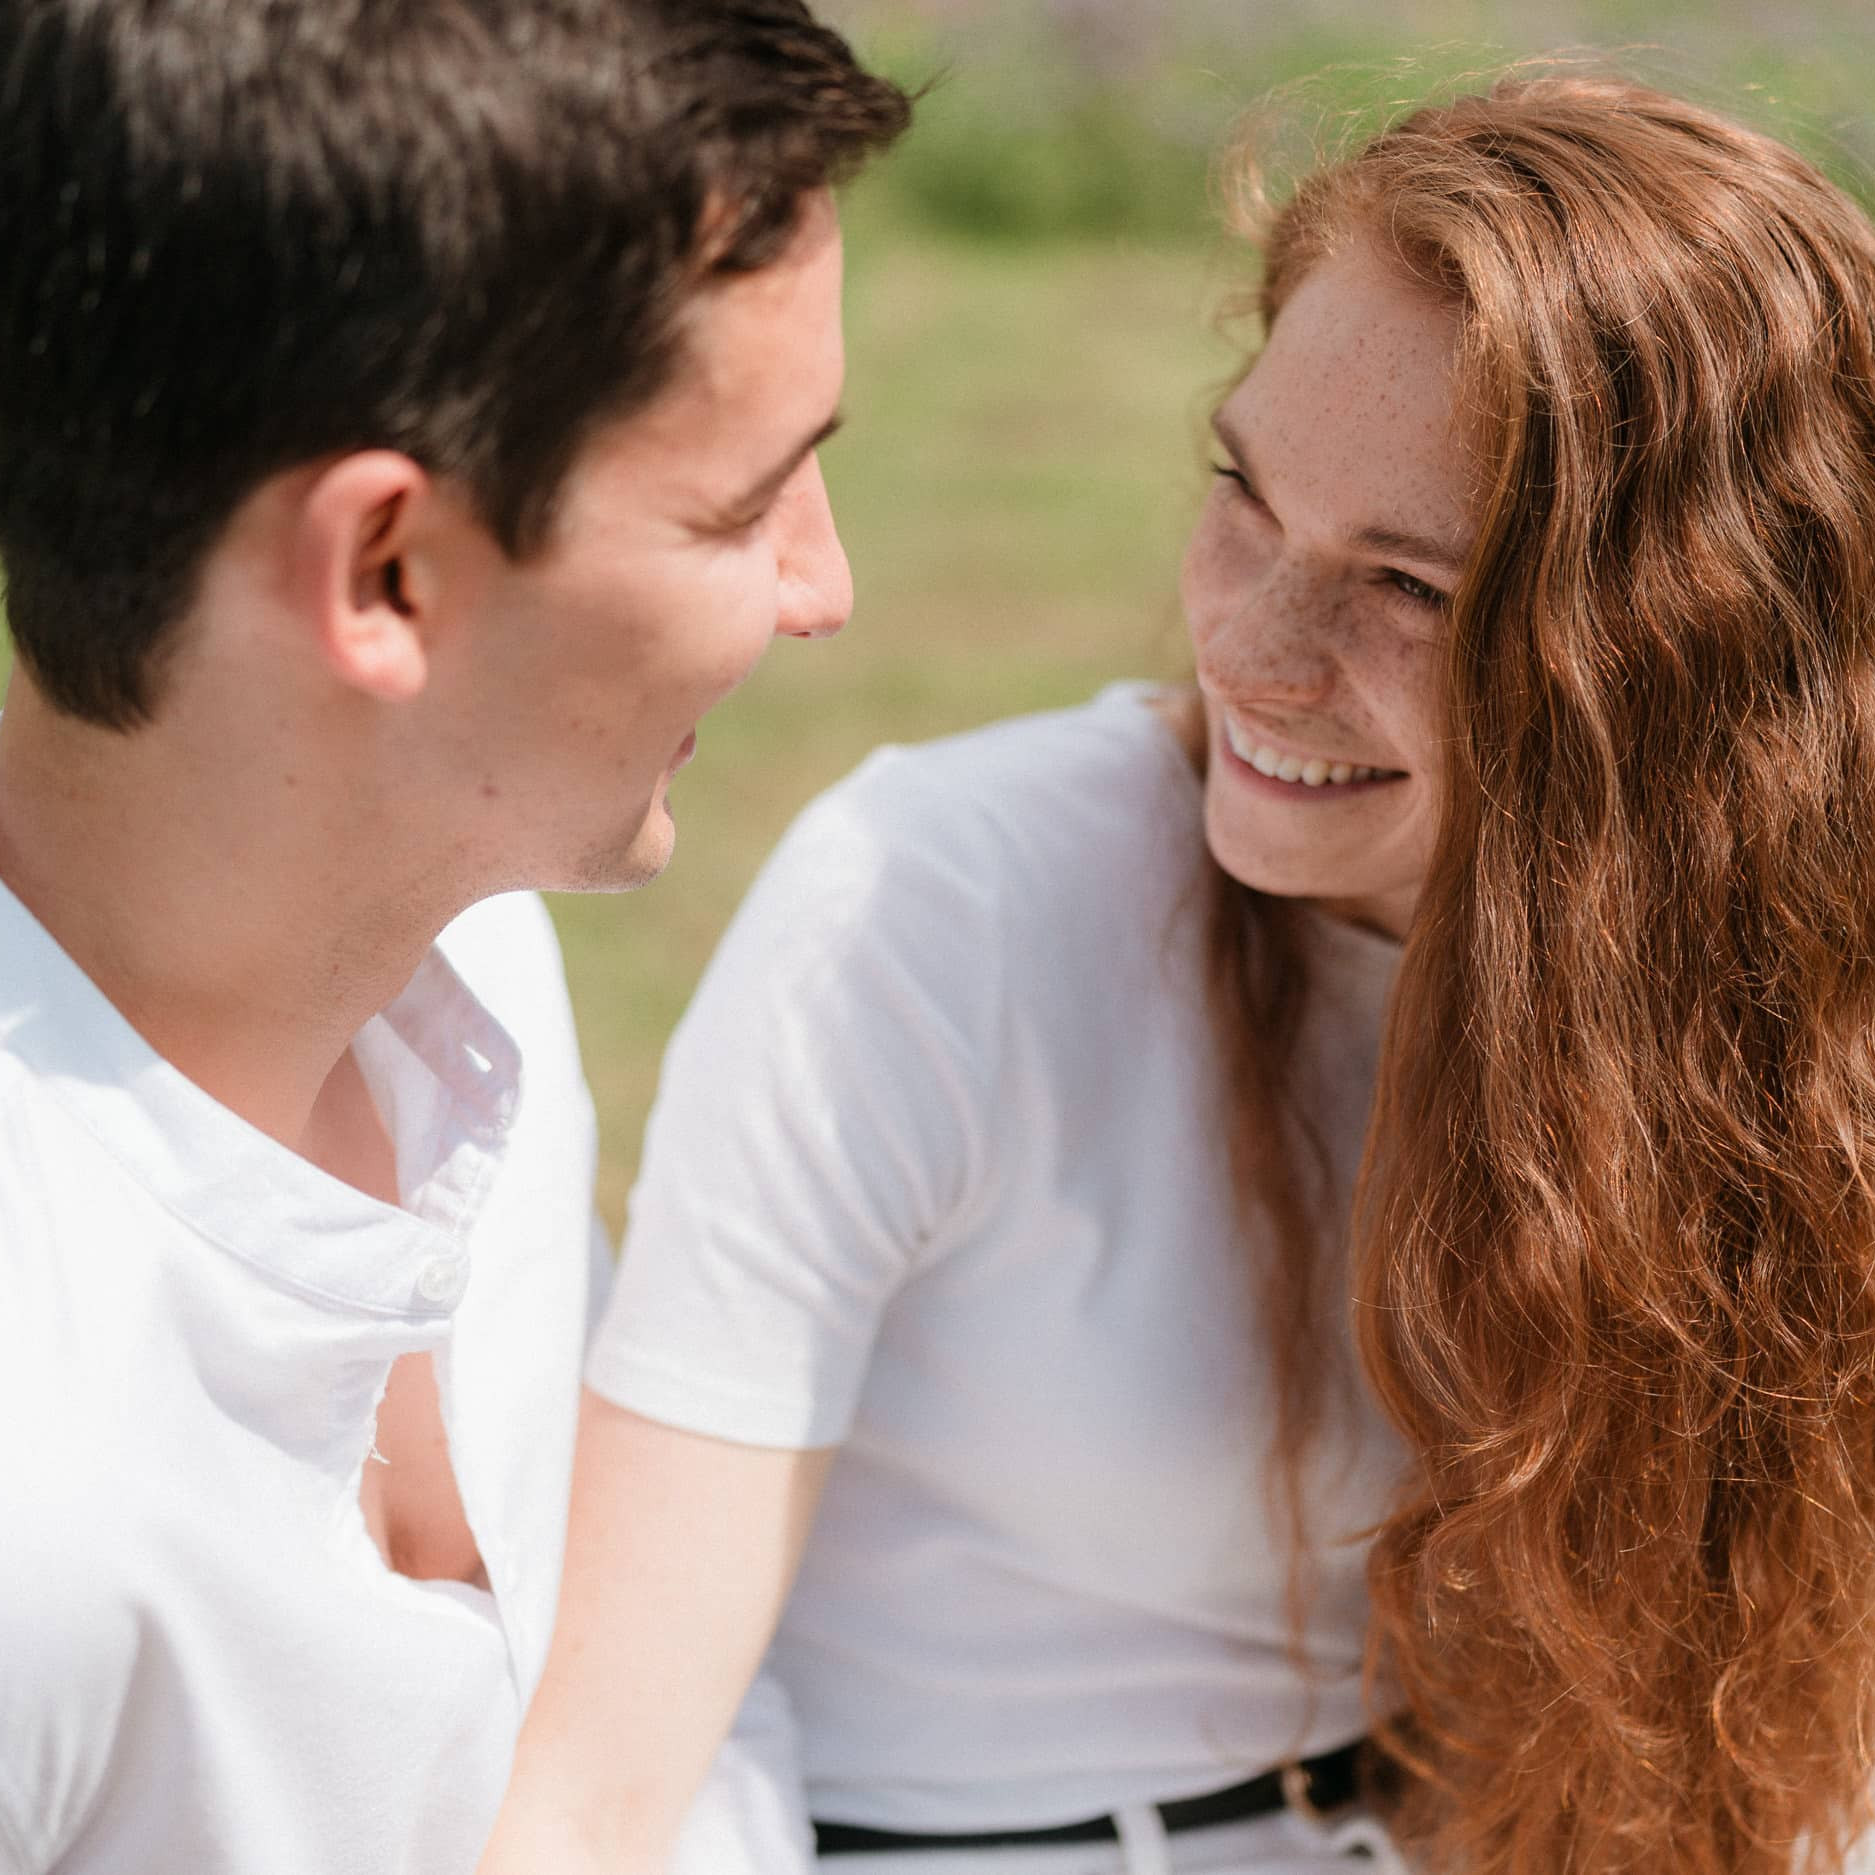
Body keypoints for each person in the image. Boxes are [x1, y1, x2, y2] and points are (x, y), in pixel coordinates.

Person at [477, 66, 1875, 1875]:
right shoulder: (939, 903)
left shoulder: (1782, 1002)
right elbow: (601, 1768)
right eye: (1245, 492)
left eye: (1410, 587)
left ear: (1678, 666)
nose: (1255, 651)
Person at [0, 3, 908, 1872]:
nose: (824, 588)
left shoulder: (476, 964)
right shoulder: (41, 1519)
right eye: (746, 502)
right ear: (386, 573)